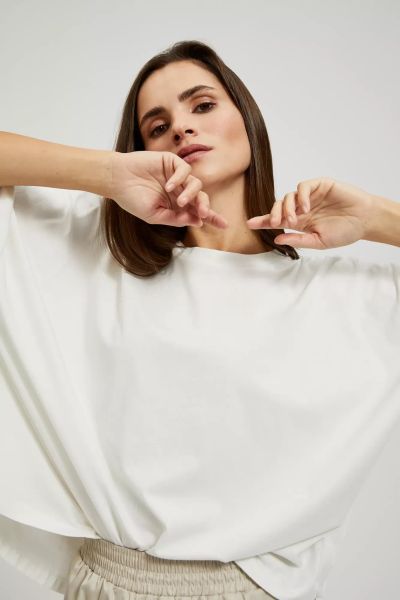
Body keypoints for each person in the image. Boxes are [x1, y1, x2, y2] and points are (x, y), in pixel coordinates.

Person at [0, 39, 399, 600]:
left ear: (247, 119)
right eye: (157, 126)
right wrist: (108, 174)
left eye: (203, 105)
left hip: (258, 589)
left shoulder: (347, 294)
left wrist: (377, 217)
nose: (182, 128)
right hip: (112, 580)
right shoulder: (95, 252)